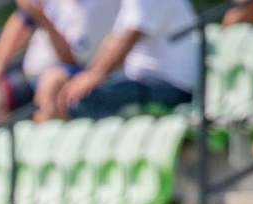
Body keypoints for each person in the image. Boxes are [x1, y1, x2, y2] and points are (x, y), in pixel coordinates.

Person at [0, 1, 119, 126]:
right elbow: (22, 20)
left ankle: (47, 147)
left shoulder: (100, 7)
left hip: (74, 77)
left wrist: (43, 19)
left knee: (51, 82)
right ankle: (3, 144)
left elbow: (70, 60)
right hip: (31, 77)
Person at [56, 0, 198, 120]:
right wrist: (86, 76)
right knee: (70, 92)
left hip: (172, 90)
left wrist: (95, 75)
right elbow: (115, 39)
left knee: (82, 99)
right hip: (149, 84)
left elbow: (130, 37)